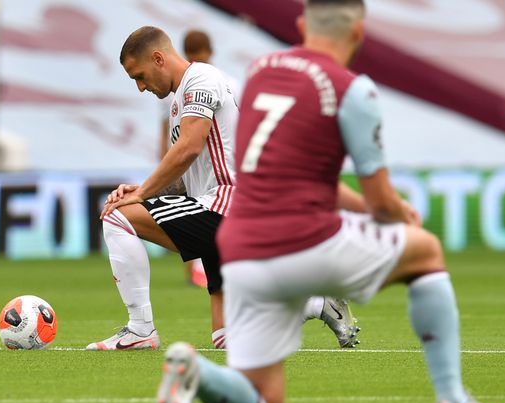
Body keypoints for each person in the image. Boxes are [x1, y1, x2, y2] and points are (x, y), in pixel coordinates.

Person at [155, 0, 502, 403]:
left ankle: (195, 369)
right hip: (304, 239)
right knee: (426, 251)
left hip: (241, 246)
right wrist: (401, 213)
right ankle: (452, 398)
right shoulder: (354, 90)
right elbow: (379, 201)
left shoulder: (263, 72)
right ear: (357, 35)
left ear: (301, 25)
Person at [88, 26, 359, 351]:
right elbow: (186, 174)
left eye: (140, 75)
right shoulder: (178, 103)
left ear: (158, 58)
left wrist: (142, 194)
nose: (141, 86)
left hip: (226, 206)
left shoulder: (201, 79)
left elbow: (188, 147)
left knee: (117, 217)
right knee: (227, 338)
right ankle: (316, 302)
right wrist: (142, 189)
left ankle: (140, 328)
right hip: (215, 206)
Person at [158, 29, 241, 289]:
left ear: (210, 52)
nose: (199, 59)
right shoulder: (176, 90)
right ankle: (195, 274)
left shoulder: (221, 83)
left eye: (201, 54)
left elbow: (186, 142)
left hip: (224, 183)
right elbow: (170, 133)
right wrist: (166, 164)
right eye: (195, 55)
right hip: (197, 172)